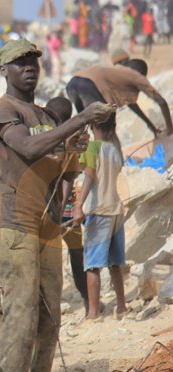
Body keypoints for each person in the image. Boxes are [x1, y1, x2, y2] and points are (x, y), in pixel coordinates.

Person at [0, 39, 113, 372]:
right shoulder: (3, 111)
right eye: (19, 63)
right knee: (20, 319)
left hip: (46, 227)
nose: (29, 68)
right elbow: (28, 146)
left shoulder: (41, 113)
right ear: (3, 70)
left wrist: (73, 150)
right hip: (16, 227)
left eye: (33, 62)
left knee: (49, 321)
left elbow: (58, 166)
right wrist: (78, 119)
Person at [73, 114, 127, 321]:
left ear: (92, 124)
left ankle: (93, 313)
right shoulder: (114, 149)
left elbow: (88, 175)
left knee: (93, 265)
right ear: (113, 126)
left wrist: (78, 205)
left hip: (99, 211)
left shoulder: (93, 147)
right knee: (115, 264)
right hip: (117, 211)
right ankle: (121, 306)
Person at [45, 96, 90, 314]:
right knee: (76, 253)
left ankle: (47, 302)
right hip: (68, 208)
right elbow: (70, 177)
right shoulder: (72, 140)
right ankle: (87, 298)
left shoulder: (45, 138)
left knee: (46, 256)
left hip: (47, 208)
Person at [67, 59, 173, 138]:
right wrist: (170, 129)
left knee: (84, 123)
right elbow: (161, 102)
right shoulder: (136, 76)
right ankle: (98, 161)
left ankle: (76, 156)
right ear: (142, 73)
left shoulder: (118, 70)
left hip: (72, 84)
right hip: (88, 85)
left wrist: (151, 126)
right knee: (104, 128)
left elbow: (131, 104)